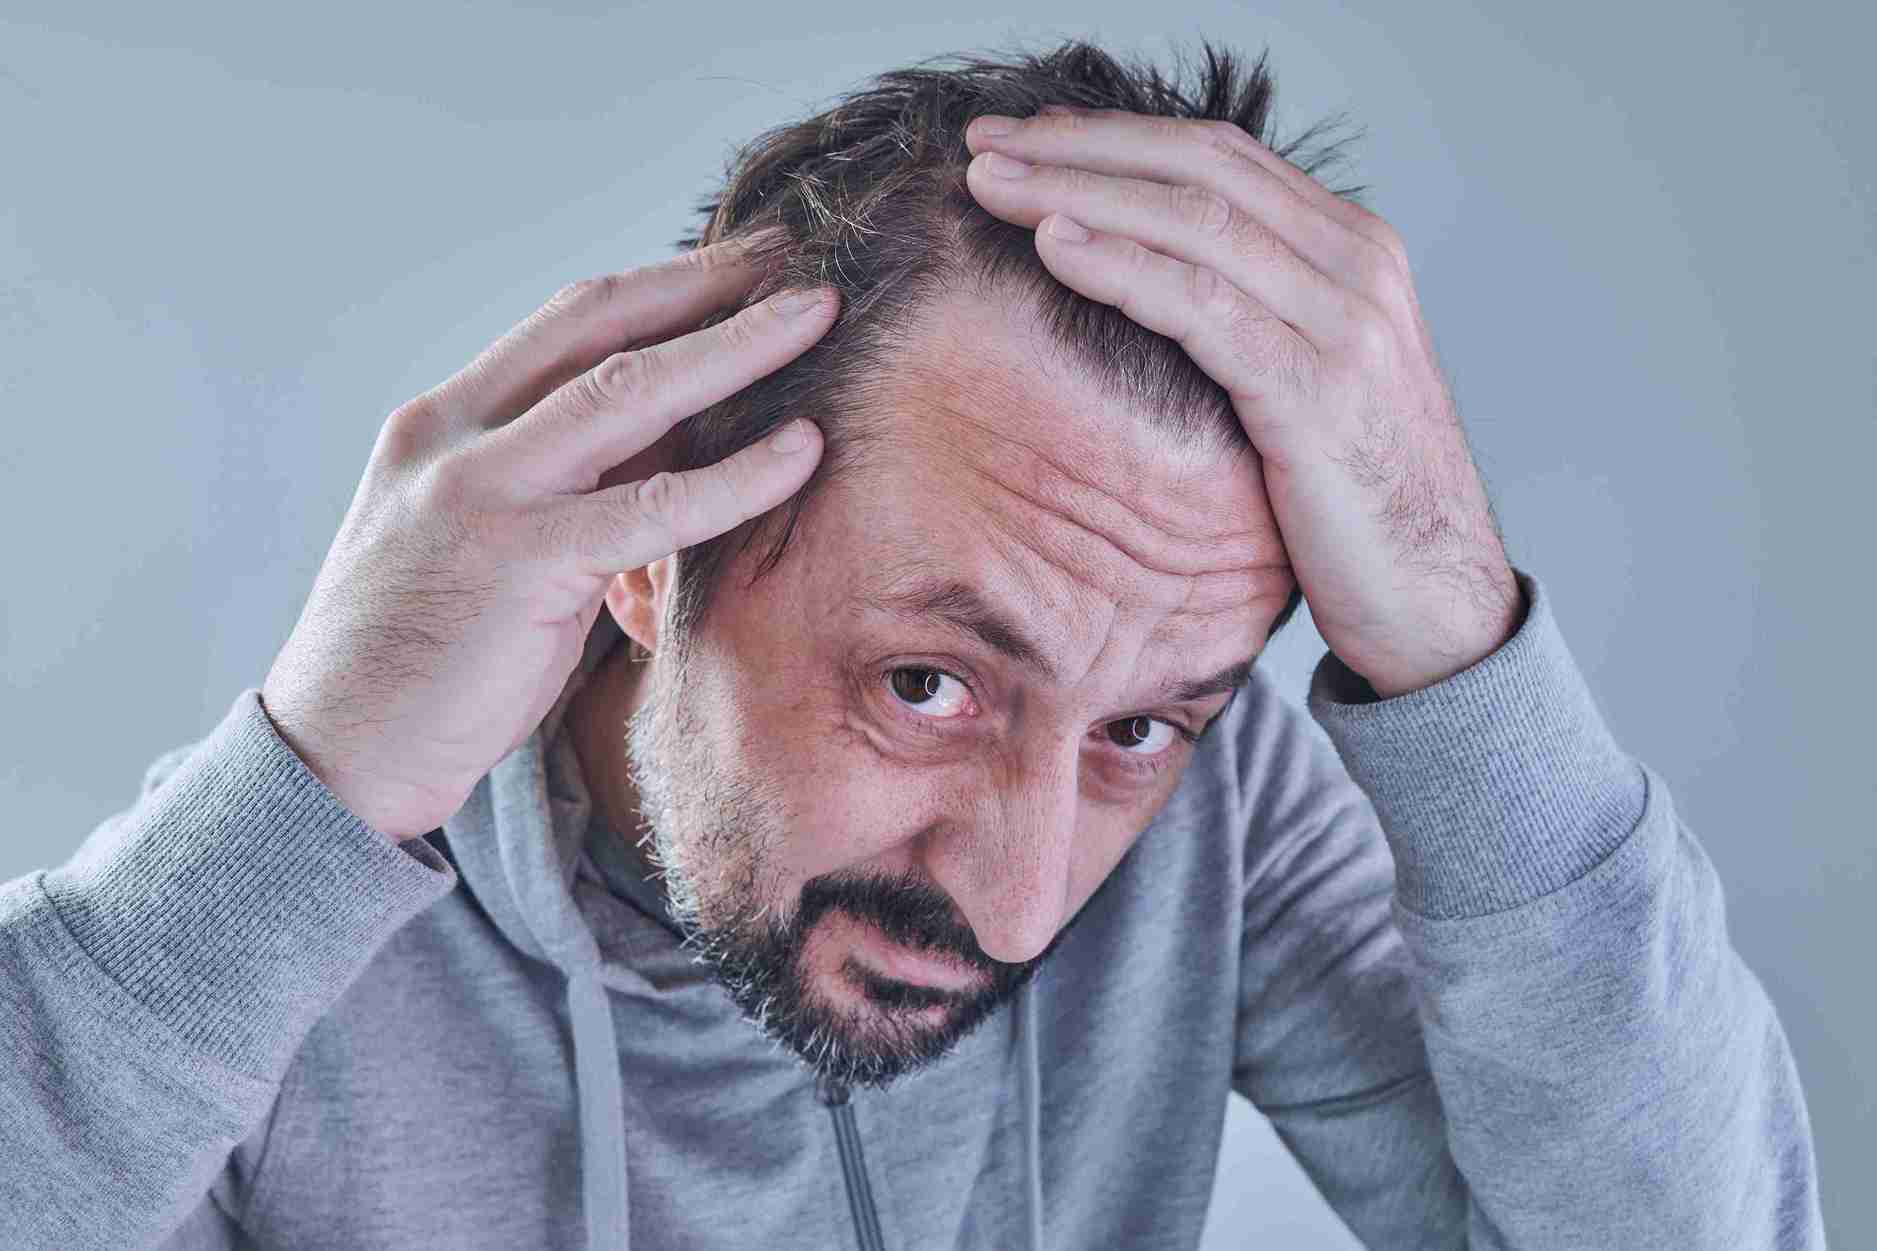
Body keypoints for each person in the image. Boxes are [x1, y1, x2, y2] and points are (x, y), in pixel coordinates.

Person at [0, 38, 1824, 1251]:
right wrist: (313, 783)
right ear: (654, 549)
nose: (1022, 906)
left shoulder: (1225, 809)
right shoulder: (293, 933)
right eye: (928, 686)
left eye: (1141, 727)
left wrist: (1449, 625)